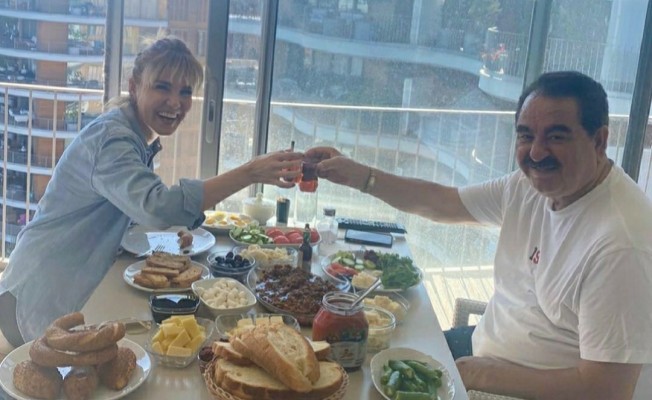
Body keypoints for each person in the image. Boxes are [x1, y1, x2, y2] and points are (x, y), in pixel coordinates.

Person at [305, 71, 652, 399]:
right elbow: (445, 203)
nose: (536, 153)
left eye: (556, 137)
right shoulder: (529, 186)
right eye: (526, 135)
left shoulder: (622, 244)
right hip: (481, 350)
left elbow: (606, 390)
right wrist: (361, 176)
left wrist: (481, 376)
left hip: (521, 389)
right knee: (361, 359)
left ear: (599, 140)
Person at [0, 36, 303, 345]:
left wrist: (171, 232)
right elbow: (156, 206)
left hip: (59, 290)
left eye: (185, 91)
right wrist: (250, 172)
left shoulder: (133, 135)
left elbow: (133, 213)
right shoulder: (113, 139)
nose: (175, 102)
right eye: (162, 87)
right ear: (134, 86)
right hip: (34, 302)